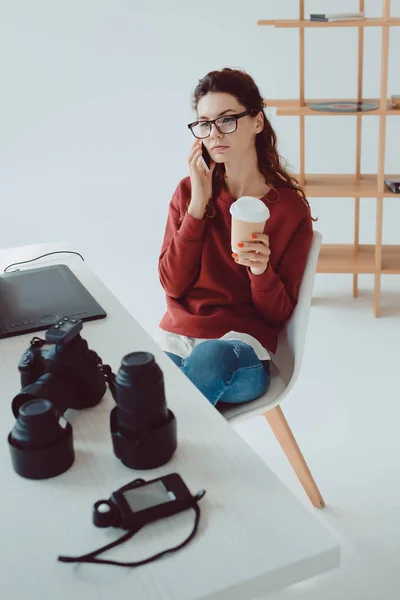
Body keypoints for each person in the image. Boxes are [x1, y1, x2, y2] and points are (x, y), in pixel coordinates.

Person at [155, 68, 314, 408]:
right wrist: (197, 207)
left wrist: (260, 271)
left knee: (209, 360)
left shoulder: (288, 210)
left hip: (241, 352)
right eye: (204, 123)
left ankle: (174, 444)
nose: (214, 133)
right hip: (178, 340)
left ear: (257, 121)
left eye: (227, 120)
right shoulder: (189, 193)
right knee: (139, 379)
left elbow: (278, 315)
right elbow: (172, 285)